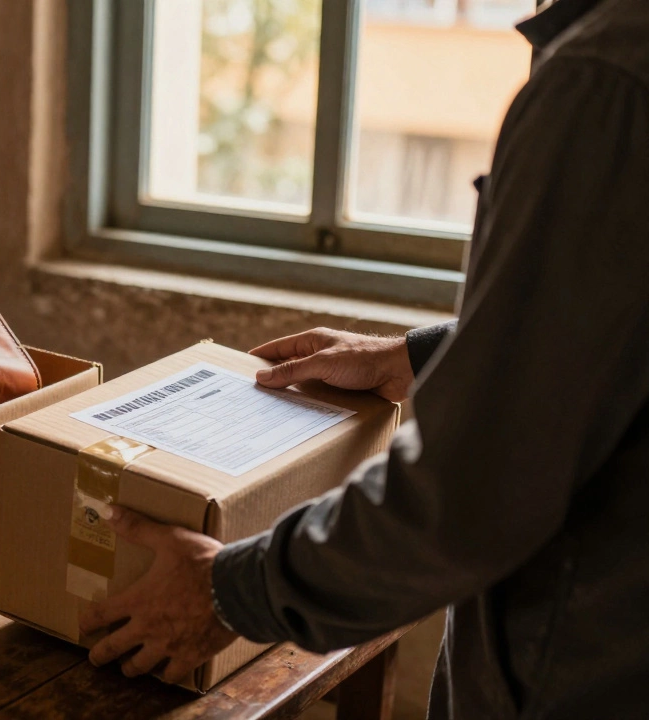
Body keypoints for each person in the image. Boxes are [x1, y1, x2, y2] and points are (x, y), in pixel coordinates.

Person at [78, 0, 649, 716]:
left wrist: (231, 592)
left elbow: (469, 488)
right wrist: (416, 357)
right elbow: (602, 330)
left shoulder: (605, 82)